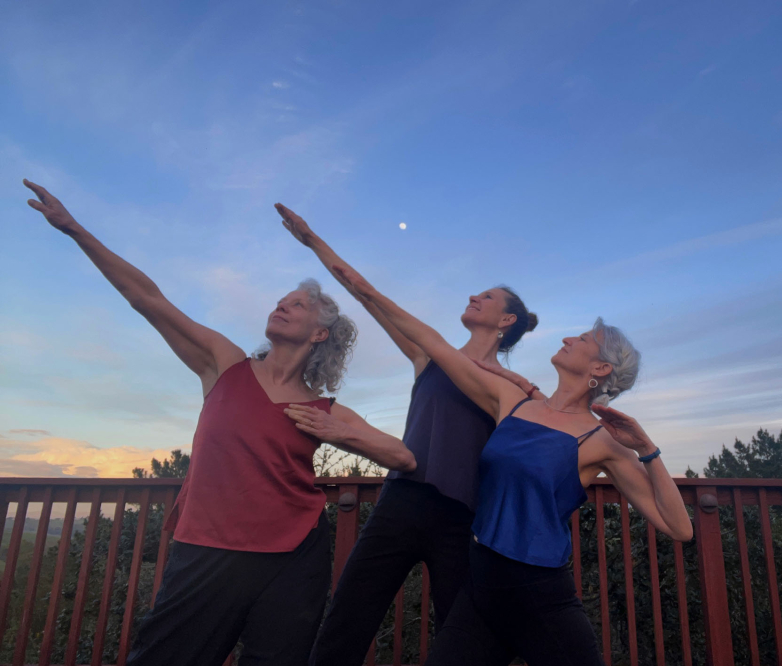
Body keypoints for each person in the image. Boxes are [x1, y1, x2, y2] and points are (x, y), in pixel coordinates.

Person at [22, 180, 416, 666]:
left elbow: (403, 457)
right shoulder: (224, 365)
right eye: (281, 299)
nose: (282, 304)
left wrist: (340, 433)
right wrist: (74, 229)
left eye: (298, 304)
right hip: (207, 549)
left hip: (295, 557)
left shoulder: (325, 410)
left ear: (319, 334)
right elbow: (147, 298)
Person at [331, 262, 694, 666]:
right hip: (481, 589)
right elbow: (433, 344)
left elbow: (678, 527)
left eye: (584, 338)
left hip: (540, 597)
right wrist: (364, 288)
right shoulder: (514, 402)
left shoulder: (601, 439)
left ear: (601, 368)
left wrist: (646, 448)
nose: (568, 337)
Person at [273, 204, 537, 666]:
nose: (475, 296)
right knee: (347, 618)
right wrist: (312, 240)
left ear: (506, 321)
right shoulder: (427, 356)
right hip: (401, 502)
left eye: (488, 297)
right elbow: (366, 293)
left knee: (460, 636)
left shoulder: (514, 390)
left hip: (463, 518)